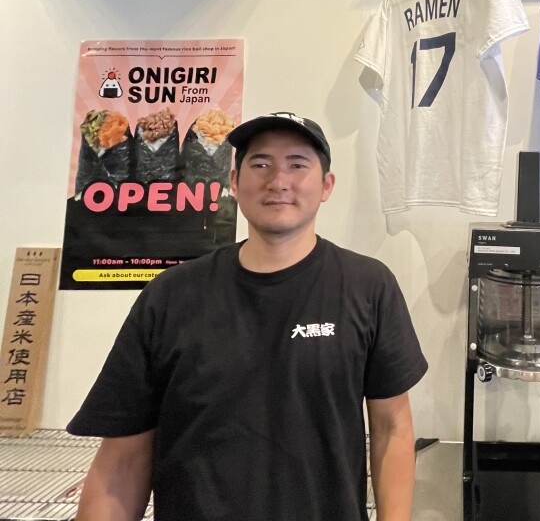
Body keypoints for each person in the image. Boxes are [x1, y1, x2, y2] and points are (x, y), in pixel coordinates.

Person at [67, 111, 428, 521]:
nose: (278, 181)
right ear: (235, 183)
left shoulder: (368, 287)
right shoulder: (170, 296)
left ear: (326, 186)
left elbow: (392, 430)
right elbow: (122, 461)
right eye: (260, 165)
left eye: (297, 164)